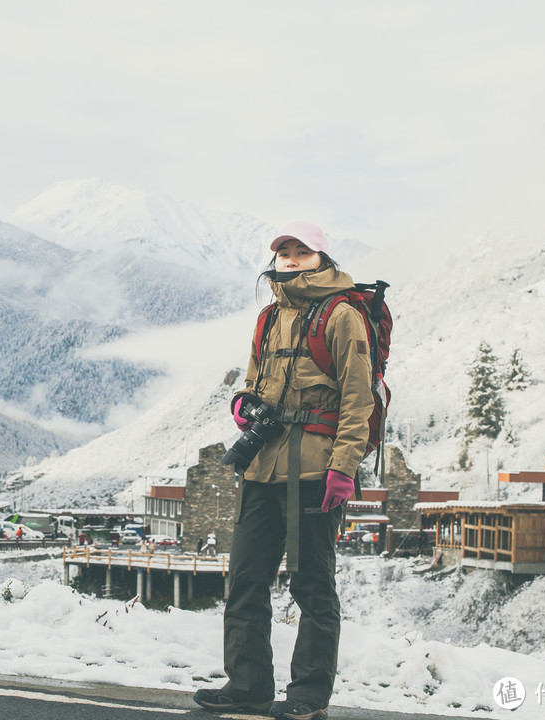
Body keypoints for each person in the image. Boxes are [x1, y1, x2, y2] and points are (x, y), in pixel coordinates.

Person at [193, 222, 374, 720]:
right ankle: (247, 686)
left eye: (301, 251)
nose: (291, 259)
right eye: (284, 252)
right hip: (262, 465)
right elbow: (253, 379)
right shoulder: (268, 316)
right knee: (246, 580)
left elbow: (359, 400)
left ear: (322, 257)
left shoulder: (342, 315)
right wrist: (242, 405)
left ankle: (307, 696)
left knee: (312, 585)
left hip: (316, 470)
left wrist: (344, 467)